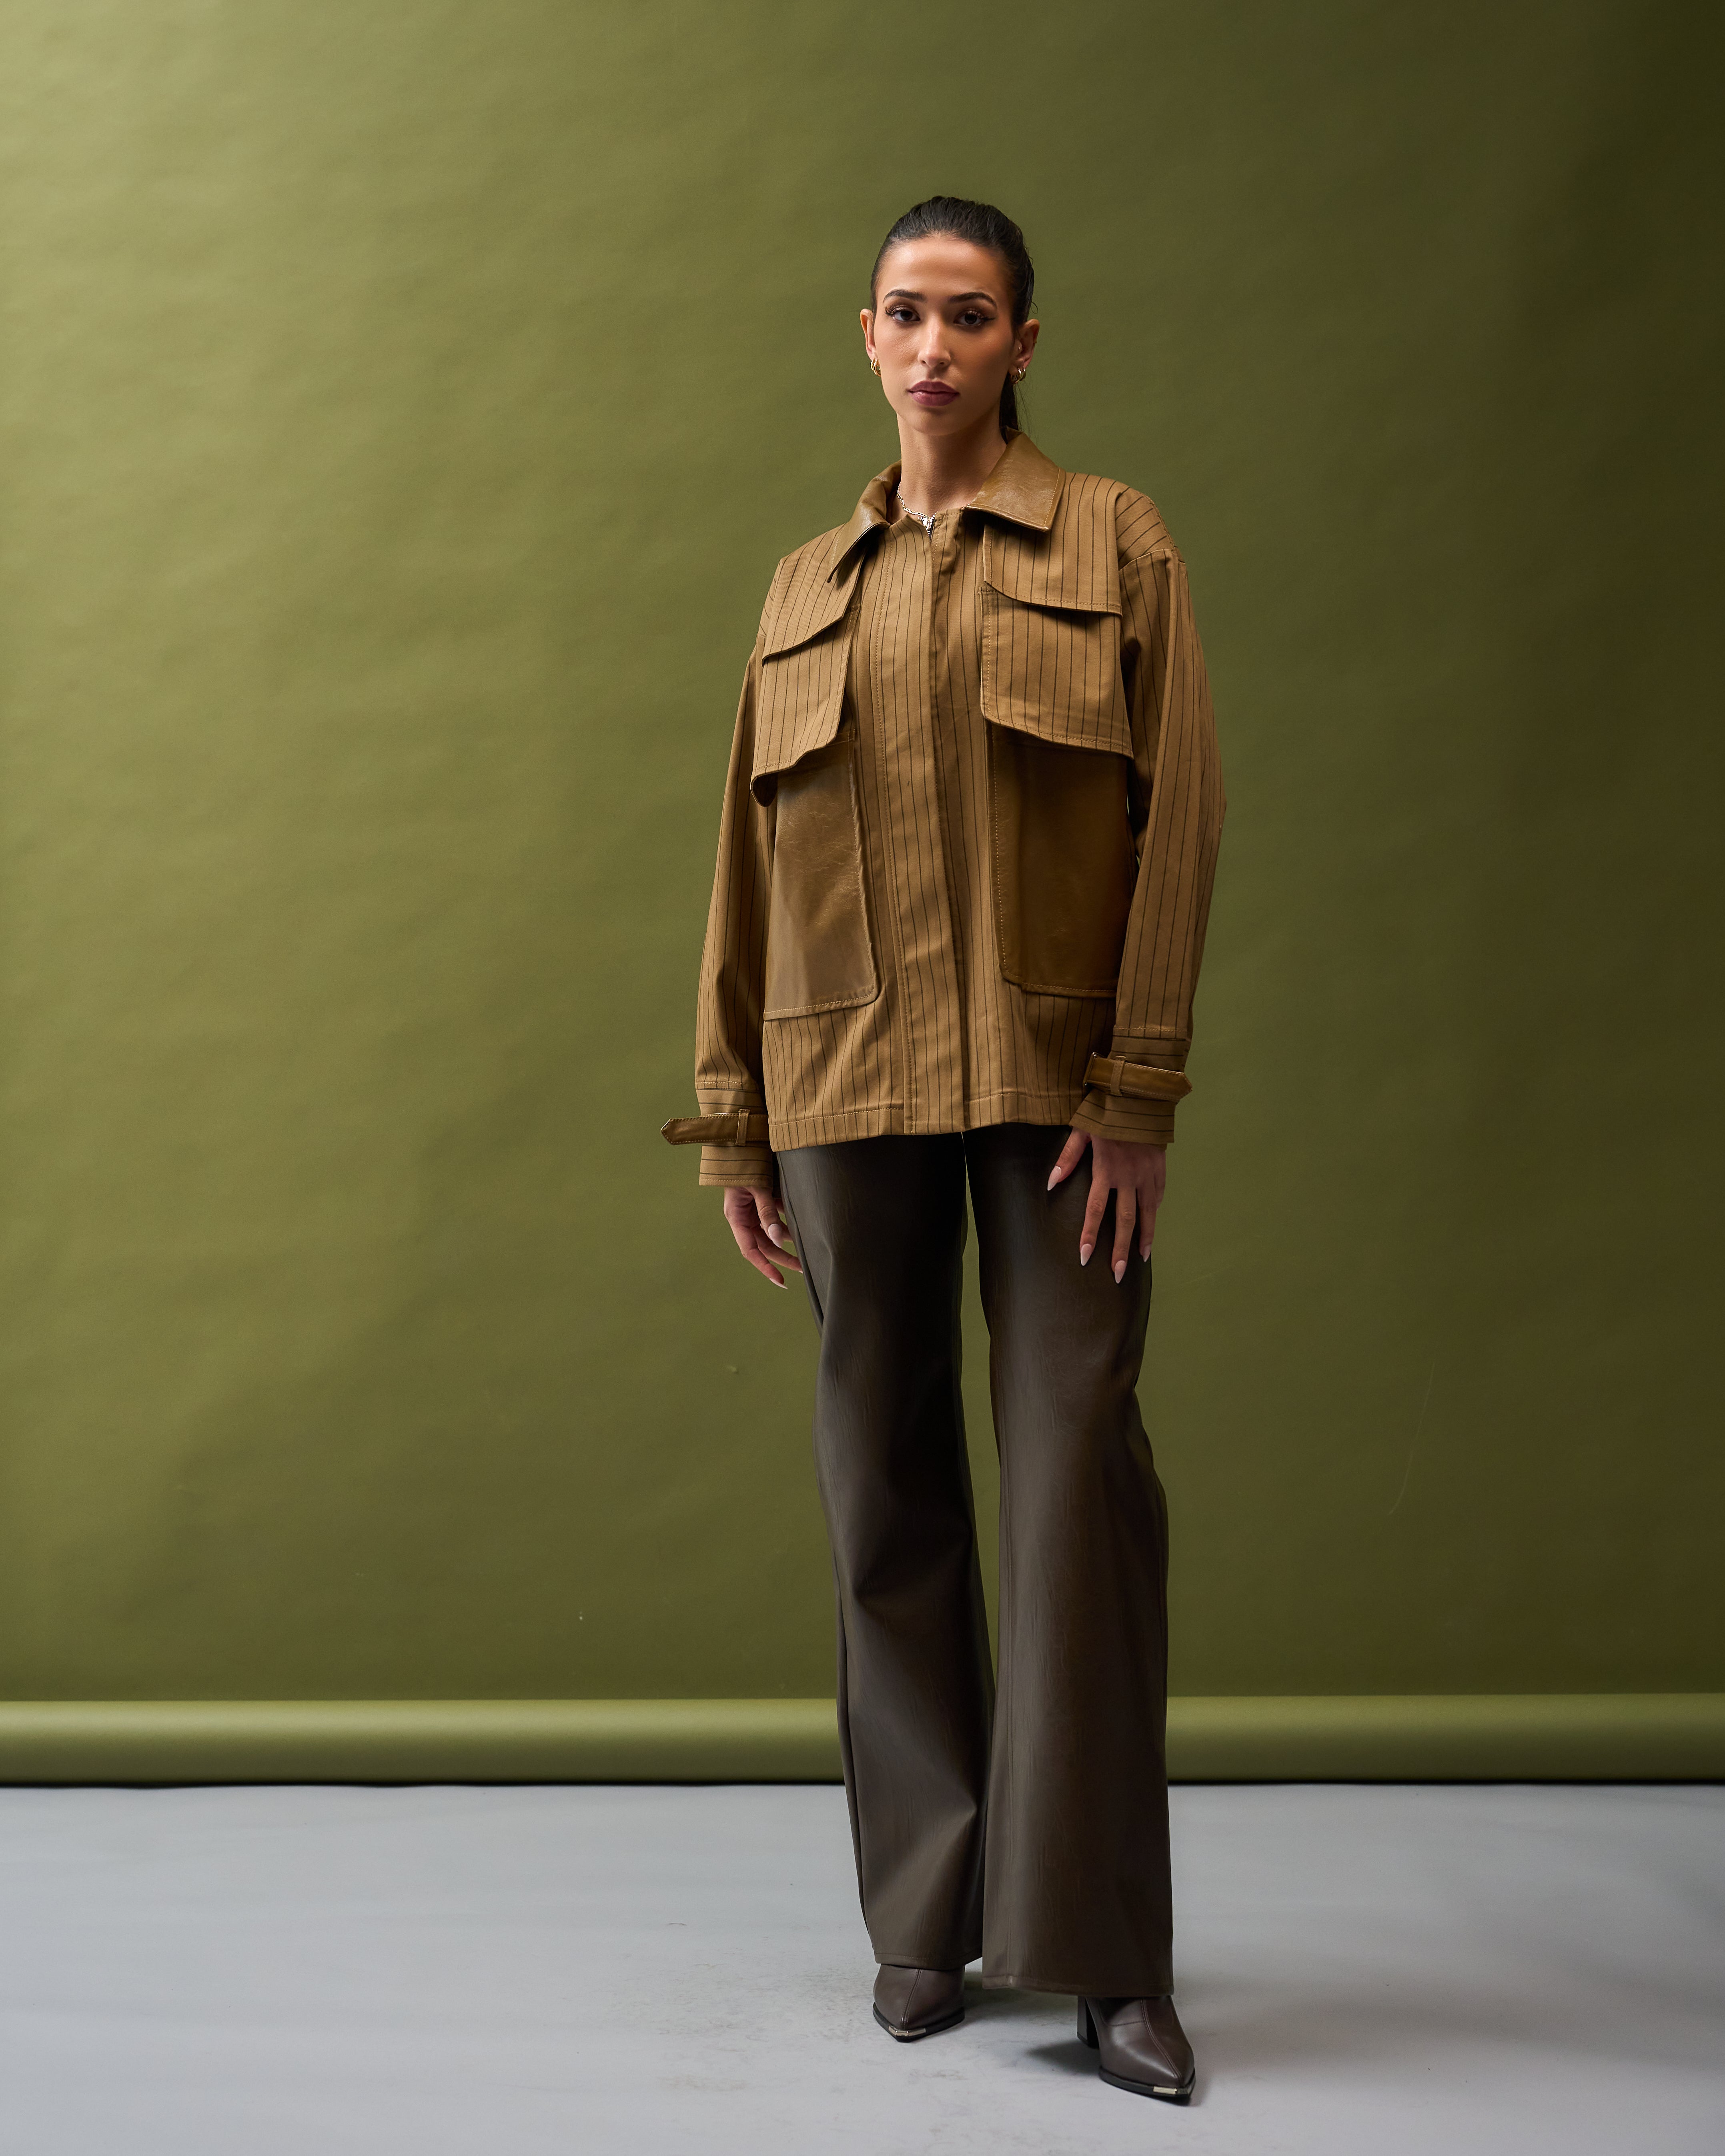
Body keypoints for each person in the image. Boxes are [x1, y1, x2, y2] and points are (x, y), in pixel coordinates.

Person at [662, 196, 1224, 2106]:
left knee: (1073, 1479)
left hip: (1058, 1089)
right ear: (868, 334)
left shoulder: (1112, 540)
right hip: (839, 1086)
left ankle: (1106, 1951)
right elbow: (744, 865)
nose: (932, 347)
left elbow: (1181, 816)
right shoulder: (801, 587)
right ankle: (925, 1911)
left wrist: (1136, 1088)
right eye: (904, 312)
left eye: (968, 315)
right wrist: (734, 1108)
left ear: (1021, 344)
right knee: (881, 1484)